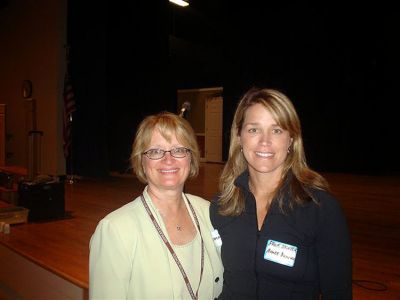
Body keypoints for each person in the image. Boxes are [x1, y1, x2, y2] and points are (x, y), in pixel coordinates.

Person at [210, 87, 352, 299]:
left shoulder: (319, 208)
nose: (264, 141)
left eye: (276, 130)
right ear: (239, 137)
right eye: (253, 130)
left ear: (291, 140)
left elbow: (338, 293)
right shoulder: (222, 206)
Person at [89, 112, 223, 299]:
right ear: (142, 161)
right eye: (155, 151)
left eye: (178, 149)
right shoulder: (115, 230)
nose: (168, 159)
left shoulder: (208, 212)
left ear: (190, 157)